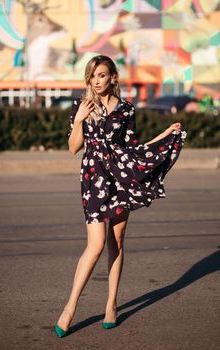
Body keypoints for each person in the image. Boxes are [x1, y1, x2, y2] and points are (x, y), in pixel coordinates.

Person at [54, 55, 187, 337]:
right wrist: (78, 120)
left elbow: (134, 148)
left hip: (120, 176)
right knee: (96, 244)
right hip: (93, 177)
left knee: (116, 240)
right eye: (92, 76)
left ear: (113, 77)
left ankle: (111, 304)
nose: (96, 81)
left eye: (101, 75)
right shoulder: (82, 106)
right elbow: (72, 148)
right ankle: (69, 307)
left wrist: (164, 135)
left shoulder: (126, 109)